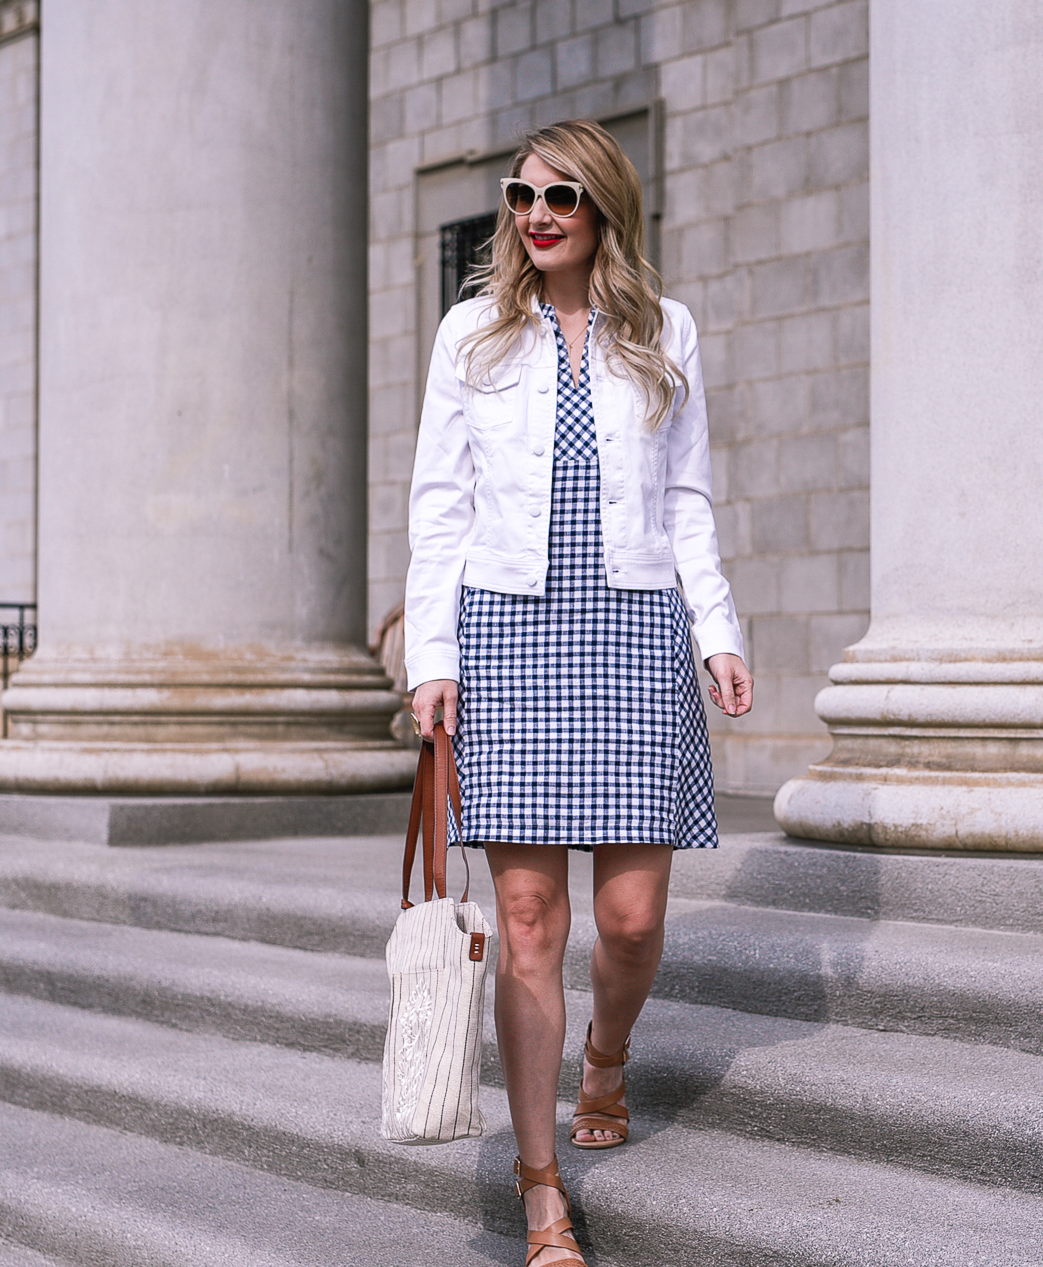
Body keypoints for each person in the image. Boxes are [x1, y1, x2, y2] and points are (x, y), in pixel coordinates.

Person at [405, 119, 753, 1267]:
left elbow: (688, 501)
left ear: (605, 206)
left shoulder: (665, 331)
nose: (536, 213)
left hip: (637, 628)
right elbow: (438, 509)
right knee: (527, 924)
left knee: (632, 916)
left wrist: (718, 633)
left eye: (561, 195)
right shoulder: (471, 334)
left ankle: (606, 1053)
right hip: (507, 637)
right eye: (519, 194)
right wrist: (434, 659)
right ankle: (540, 1181)